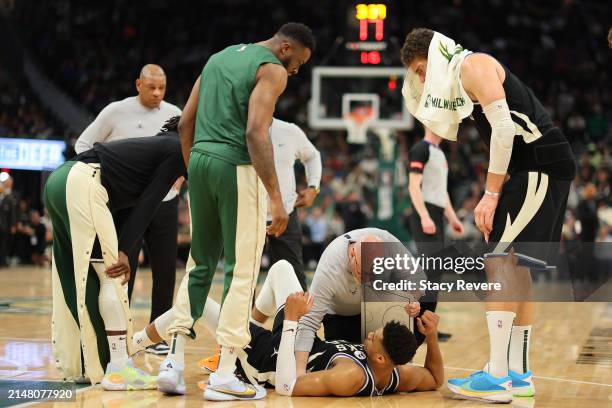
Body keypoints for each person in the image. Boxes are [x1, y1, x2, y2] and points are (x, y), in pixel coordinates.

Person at [401, 28, 576, 403]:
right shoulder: (461, 80)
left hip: (537, 164)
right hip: (539, 166)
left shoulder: (472, 65)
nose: (419, 78)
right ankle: (517, 373)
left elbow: (503, 128)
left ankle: (498, 377)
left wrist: (491, 193)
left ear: (433, 56)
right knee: (518, 268)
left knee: (499, 263)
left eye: (419, 68)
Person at [160, 23, 315, 401]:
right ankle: (225, 373)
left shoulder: (217, 59)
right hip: (236, 168)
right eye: (298, 63)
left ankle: (172, 361)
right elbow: (255, 132)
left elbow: (184, 122)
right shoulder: (271, 69)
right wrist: (277, 199)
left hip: (199, 162)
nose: (295, 72)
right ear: (285, 48)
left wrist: (194, 166)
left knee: (199, 264)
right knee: (242, 270)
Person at [133, 260, 444, 398]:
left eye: (373, 339)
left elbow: (286, 387)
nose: (369, 335)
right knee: (282, 268)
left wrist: (293, 320)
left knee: (193, 304)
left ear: (379, 359)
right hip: (289, 341)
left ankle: (135, 343)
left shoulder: (350, 376)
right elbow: (434, 379)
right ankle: (250, 325)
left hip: (264, 357)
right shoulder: (395, 373)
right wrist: (430, 338)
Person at [43, 117, 185, 390]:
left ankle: (87, 363)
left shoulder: (154, 148)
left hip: (60, 181)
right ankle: (119, 368)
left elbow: (127, 206)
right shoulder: (176, 149)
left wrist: (122, 246)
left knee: (81, 279)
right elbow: (149, 202)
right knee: (113, 276)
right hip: (84, 184)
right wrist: (122, 251)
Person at [74, 64, 182, 355]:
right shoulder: (115, 111)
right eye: (151, 87)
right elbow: (83, 144)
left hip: (165, 203)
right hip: (125, 202)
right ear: (137, 85)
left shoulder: (176, 115)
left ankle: (156, 337)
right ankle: (120, 334)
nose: (157, 93)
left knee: (165, 270)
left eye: (162, 88)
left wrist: (180, 177)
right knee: (123, 266)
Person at [294, 228, 425, 377]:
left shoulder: (390, 244)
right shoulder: (330, 266)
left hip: (376, 309)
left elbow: (417, 279)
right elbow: (309, 322)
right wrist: (299, 374)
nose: (368, 280)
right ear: (352, 255)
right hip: (340, 314)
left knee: (427, 302)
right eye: (364, 273)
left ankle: (400, 362)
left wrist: (411, 300)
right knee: (350, 367)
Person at [408, 126, 464, 343]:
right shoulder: (420, 149)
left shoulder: (440, 153)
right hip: (426, 212)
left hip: (437, 213)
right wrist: (424, 216)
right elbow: (414, 187)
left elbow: (442, 192)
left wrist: (452, 218)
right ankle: (416, 325)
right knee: (429, 272)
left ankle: (427, 325)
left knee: (436, 273)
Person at [266, 118, 322, 290]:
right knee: (244, 278)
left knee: (293, 277)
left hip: (286, 213)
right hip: (246, 214)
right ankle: (244, 318)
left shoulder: (288, 130)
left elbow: (313, 156)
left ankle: (295, 317)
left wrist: (313, 187)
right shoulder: (234, 127)